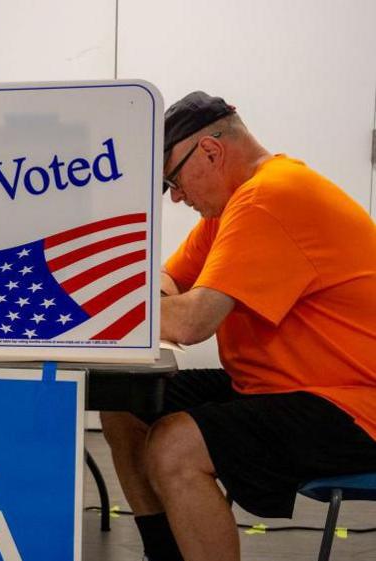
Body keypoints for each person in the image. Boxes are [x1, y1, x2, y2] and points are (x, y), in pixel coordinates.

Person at [99, 91, 376, 561]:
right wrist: (154, 301)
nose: (177, 196)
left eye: (174, 179)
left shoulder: (271, 196)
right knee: (122, 400)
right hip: (278, 387)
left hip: (351, 404)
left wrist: (97, 310)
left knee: (175, 445)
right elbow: (169, 279)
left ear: (210, 151)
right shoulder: (229, 207)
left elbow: (192, 323)